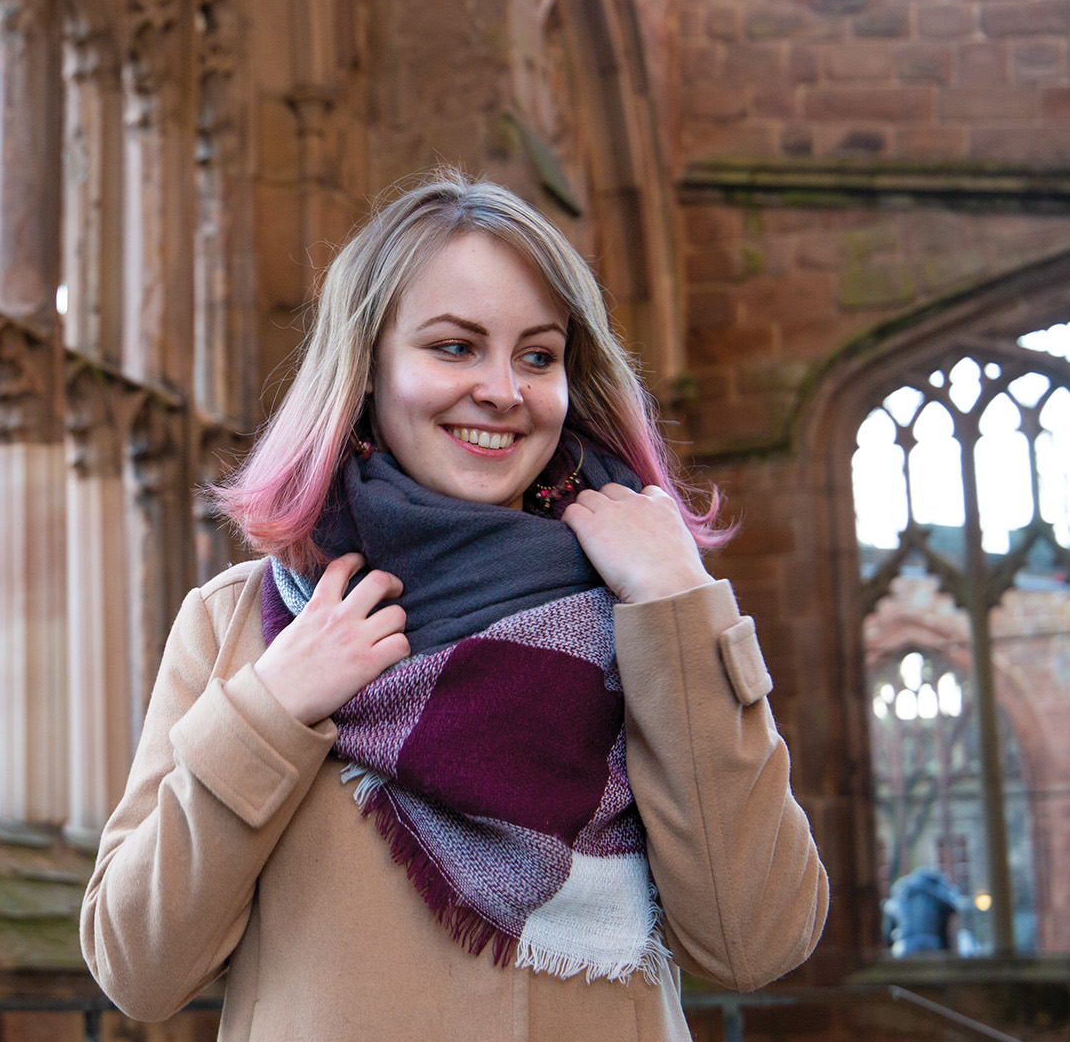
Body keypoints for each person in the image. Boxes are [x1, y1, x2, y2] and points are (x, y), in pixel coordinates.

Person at [80, 171, 828, 1041]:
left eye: (538, 355)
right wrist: (272, 709)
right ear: (366, 371)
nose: (504, 391)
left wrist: (680, 603)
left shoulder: (648, 608)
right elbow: (137, 967)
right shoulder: (244, 621)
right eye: (454, 347)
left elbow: (757, 941)